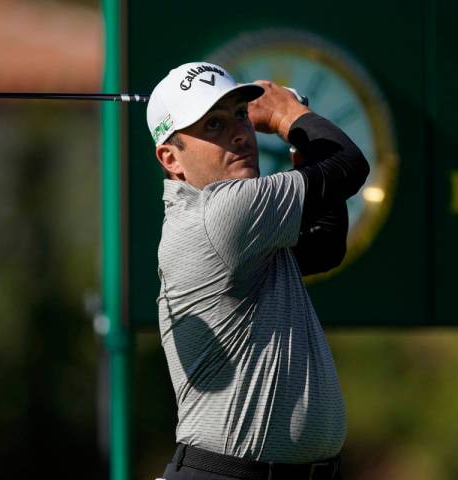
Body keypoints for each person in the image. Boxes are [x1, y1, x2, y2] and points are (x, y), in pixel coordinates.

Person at [147, 62, 369, 480]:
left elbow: (324, 246)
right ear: (171, 158)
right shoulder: (221, 212)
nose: (238, 133)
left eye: (239, 115)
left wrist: (299, 141)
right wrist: (287, 115)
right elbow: (349, 165)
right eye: (212, 125)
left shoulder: (243, 231)